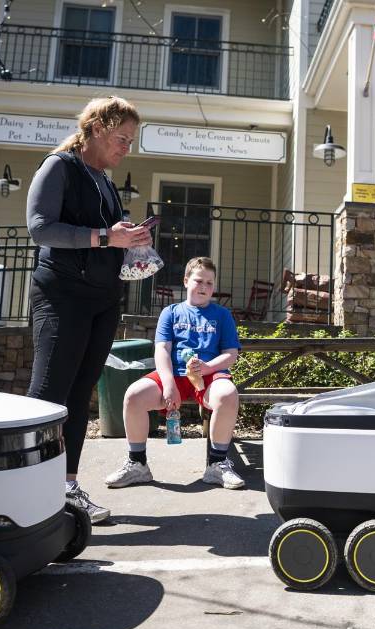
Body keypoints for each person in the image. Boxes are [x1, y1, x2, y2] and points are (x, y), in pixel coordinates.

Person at [25, 96, 152, 523]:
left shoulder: (106, 182)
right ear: (97, 128)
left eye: (131, 141)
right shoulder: (59, 166)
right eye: (122, 139)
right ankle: (26, 490)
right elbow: (40, 228)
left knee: (80, 396)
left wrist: (131, 240)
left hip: (103, 299)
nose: (127, 148)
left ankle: (66, 489)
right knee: (49, 395)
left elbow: (108, 236)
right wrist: (105, 236)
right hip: (62, 294)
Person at [104, 256, 245, 490]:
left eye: (209, 283)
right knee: (133, 395)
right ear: (186, 280)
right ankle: (137, 464)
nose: (204, 287)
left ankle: (217, 465)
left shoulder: (222, 315)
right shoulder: (170, 312)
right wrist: (168, 384)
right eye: (199, 280)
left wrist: (208, 367)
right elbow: (162, 350)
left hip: (208, 376)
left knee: (228, 394)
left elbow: (231, 354)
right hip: (174, 374)